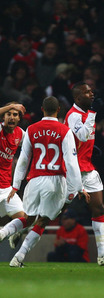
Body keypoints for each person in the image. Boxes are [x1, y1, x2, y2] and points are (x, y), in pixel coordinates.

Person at [0, 96, 90, 267]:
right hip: (55, 181)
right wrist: (79, 187)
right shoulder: (65, 131)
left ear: (42, 109)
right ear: (58, 110)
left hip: (33, 180)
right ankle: (19, 256)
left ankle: (4, 232)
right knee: (43, 221)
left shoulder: (31, 129)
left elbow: (23, 160)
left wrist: (16, 185)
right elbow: (71, 163)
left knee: (28, 217)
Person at [64, 81, 104, 266]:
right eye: (87, 92)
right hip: (73, 170)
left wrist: (91, 149)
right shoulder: (74, 115)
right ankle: (18, 232)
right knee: (52, 211)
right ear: (77, 97)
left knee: (98, 208)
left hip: (87, 168)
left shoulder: (85, 114)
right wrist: (93, 113)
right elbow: (82, 135)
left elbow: (82, 140)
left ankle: (102, 254)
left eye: (92, 92)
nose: (92, 94)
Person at [0, 102, 26, 223]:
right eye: (8, 114)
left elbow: (34, 144)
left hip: (6, 189)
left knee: (23, 220)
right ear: (3, 117)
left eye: (15, 114)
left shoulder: (20, 133)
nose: (11, 117)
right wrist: (11, 106)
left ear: (19, 118)